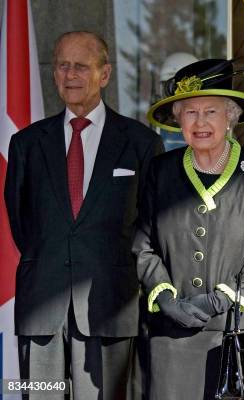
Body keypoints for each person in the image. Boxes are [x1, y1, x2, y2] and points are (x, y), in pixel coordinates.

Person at [4, 31, 164, 399]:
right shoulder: (26, 144)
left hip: (110, 306)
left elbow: (148, 224)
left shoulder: (141, 143)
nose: (70, 75)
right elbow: (20, 218)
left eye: (81, 66)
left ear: (104, 74)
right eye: (62, 66)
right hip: (41, 307)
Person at [134, 59, 244, 399]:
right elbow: (142, 245)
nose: (200, 122)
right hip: (171, 336)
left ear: (230, 116)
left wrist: (224, 298)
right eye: (189, 112)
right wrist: (166, 297)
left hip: (239, 332)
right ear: (177, 119)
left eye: (211, 111)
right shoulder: (160, 171)